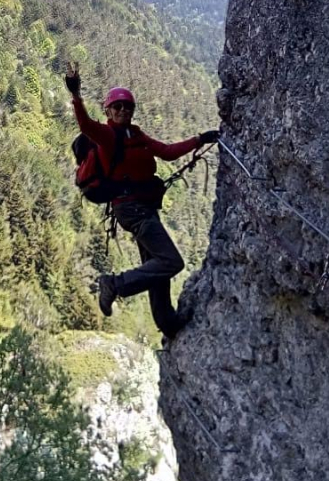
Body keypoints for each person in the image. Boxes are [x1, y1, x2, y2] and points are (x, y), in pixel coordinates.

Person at [65, 63, 218, 339]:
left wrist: (200, 139)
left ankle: (167, 323)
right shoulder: (107, 136)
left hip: (143, 208)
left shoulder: (135, 135)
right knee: (171, 262)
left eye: (128, 107)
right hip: (132, 209)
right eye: (118, 107)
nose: (123, 110)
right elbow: (85, 124)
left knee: (156, 265)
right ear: (108, 111)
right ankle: (114, 284)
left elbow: (167, 152)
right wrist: (76, 93)